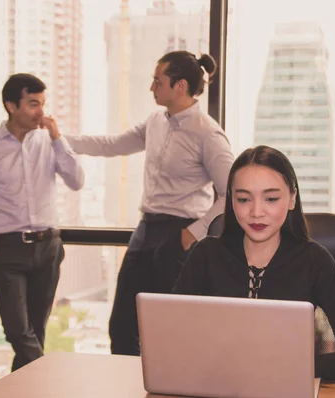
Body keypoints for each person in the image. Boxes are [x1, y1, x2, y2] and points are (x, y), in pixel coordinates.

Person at [65, 51, 235, 355]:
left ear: (180, 86)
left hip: (180, 235)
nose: (151, 87)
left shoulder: (208, 133)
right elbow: (114, 144)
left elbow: (230, 195)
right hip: (146, 231)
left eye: (158, 81)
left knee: (166, 327)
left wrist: (194, 232)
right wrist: (62, 140)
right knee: (122, 325)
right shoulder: (157, 120)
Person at [173, 145, 335, 381]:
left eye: (271, 198)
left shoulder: (315, 261)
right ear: (231, 201)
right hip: (216, 385)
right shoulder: (206, 255)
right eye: (243, 199)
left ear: (292, 198)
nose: (256, 212)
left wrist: (292, 369)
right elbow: (172, 338)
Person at [0, 73, 84, 371]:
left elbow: (77, 180)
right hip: (8, 250)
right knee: (18, 332)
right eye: (32, 104)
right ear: (11, 105)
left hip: (48, 247)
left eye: (42, 103)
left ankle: (28, 387)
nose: (41, 111)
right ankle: (45, 377)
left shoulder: (50, 142)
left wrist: (58, 139)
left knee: (35, 334)